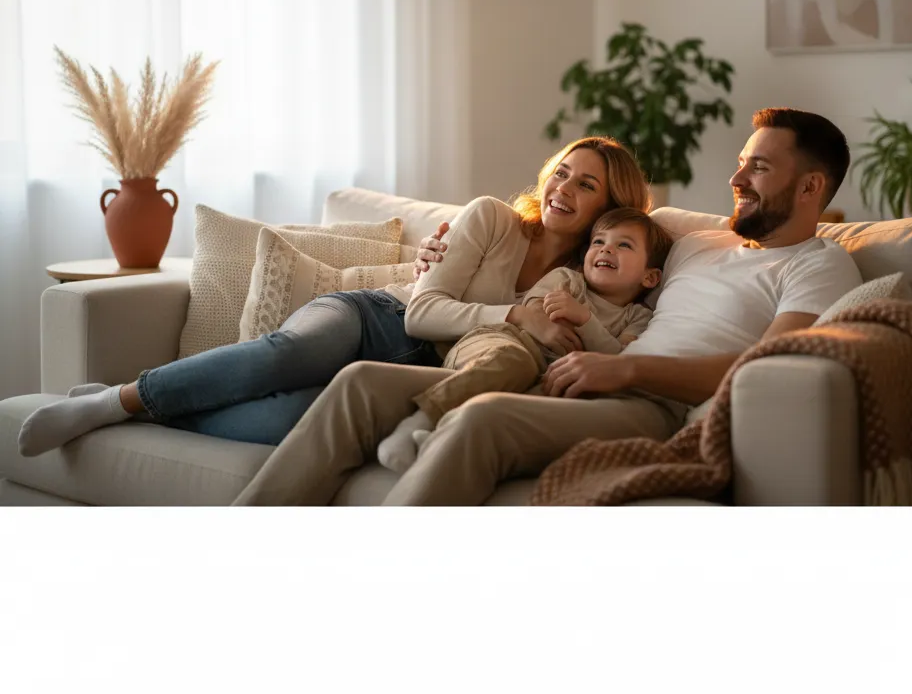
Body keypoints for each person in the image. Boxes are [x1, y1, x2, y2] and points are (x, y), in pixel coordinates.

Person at [230, 107, 865, 506]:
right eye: (740, 163)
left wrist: (629, 371)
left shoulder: (820, 262)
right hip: (580, 371)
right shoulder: (696, 242)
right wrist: (428, 259)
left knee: (481, 420)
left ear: (810, 186)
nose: (737, 178)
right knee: (361, 381)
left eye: (758, 168)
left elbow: (765, 367)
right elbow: (605, 261)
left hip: (652, 406)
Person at [18, 136, 652, 457]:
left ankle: (155, 405)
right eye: (562, 172)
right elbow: (427, 310)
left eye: (587, 184)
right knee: (282, 357)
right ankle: (115, 400)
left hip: (412, 370)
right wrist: (514, 315)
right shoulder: (490, 218)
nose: (564, 187)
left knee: (294, 421)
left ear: (611, 204)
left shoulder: (585, 283)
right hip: (377, 318)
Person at [376, 206, 675, 473]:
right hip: (505, 340)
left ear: (650, 278)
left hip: (548, 373)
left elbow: (617, 359)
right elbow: (533, 309)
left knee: (538, 399)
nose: (606, 250)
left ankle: (445, 437)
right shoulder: (567, 280)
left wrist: (585, 321)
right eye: (599, 242)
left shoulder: (638, 317)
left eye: (623, 245)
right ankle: (419, 421)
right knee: (509, 362)